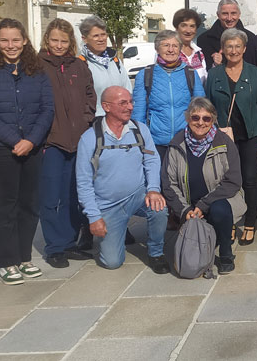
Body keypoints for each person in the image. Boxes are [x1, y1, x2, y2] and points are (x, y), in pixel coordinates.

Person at [0, 18, 55, 285]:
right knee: (5, 204)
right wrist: (13, 139)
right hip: (1, 148)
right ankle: (6, 261)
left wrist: (31, 140)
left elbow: (47, 109)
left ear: (25, 41)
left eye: (15, 40)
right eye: (5, 40)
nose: (11, 45)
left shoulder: (36, 70)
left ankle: (23, 257)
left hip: (32, 147)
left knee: (30, 204)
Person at [75, 87, 169, 273]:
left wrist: (153, 189)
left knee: (159, 209)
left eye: (130, 101)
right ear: (106, 107)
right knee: (112, 262)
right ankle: (106, 230)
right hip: (108, 205)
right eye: (123, 103)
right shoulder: (89, 138)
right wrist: (94, 217)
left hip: (138, 196)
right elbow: (83, 182)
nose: (130, 107)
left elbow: (151, 160)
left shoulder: (140, 130)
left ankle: (156, 253)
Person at [162, 97, 245, 274]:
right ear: (188, 119)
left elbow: (233, 180)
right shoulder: (176, 144)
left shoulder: (224, 142)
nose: (201, 122)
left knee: (219, 209)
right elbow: (169, 183)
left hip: (219, 200)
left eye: (206, 118)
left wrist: (203, 205)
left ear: (213, 120)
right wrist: (184, 211)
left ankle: (226, 254)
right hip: (189, 204)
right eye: (195, 118)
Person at [38, 19, 96, 269]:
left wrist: (85, 122)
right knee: (52, 196)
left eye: (63, 41)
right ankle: (55, 246)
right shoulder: (37, 66)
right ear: (47, 40)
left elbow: (90, 96)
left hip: (79, 140)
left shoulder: (78, 66)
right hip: (51, 142)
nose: (59, 45)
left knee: (75, 193)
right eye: (54, 40)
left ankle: (71, 241)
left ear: (70, 41)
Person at [205, 28, 257, 245]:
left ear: (244, 49)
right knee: (226, 181)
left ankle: (250, 222)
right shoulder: (214, 74)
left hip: (250, 134)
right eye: (229, 46)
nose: (233, 51)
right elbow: (208, 106)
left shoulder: (255, 73)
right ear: (222, 49)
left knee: (250, 180)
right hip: (223, 136)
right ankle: (230, 223)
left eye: (237, 46)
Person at [132, 30, 206, 156]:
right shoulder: (146, 74)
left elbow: (201, 108)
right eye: (166, 45)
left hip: (185, 141)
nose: (171, 50)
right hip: (155, 143)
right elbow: (138, 113)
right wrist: (141, 141)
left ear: (180, 49)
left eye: (175, 46)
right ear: (157, 49)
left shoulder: (190, 73)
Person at [78, 16, 132, 117]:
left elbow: (127, 90)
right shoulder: (81, 64)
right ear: (84, 39)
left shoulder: (115, 61)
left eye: (103, 35)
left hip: (120, 121)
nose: (101, 39)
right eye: (96, 36)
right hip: (95, 122)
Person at [197, 0, 257, 70]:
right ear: (218, 15)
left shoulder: (250, 39)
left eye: (233, 13)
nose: (229, 18)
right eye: (225, 14)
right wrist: (215, 65)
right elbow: (203, 73)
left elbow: (254, 68)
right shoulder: (204, 40)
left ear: (239, 14)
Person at [173, 8, 207, 80]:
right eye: (184, 25)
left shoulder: (198, 54)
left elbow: (205, 81)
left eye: (192, 26)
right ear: (176, 27)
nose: (188, 31)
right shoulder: (169, 52)